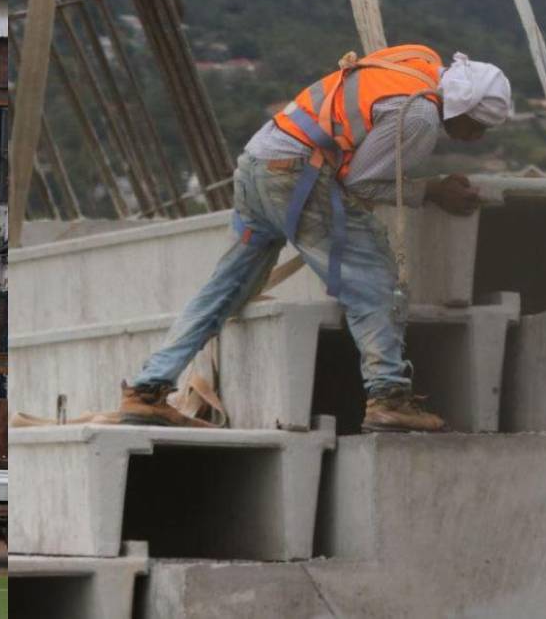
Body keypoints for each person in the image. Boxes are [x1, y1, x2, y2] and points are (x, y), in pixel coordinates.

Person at [118, 45, 512, 433]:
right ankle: (389, 397)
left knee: (225, 288)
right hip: (296, 176)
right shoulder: (421, 117)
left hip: (258, 162)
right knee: (373, 278)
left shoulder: (417, 59)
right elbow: (362, 182)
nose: (476, 138)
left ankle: (147, 389)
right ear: (461, 108)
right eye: (477, 125)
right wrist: (432, 192)